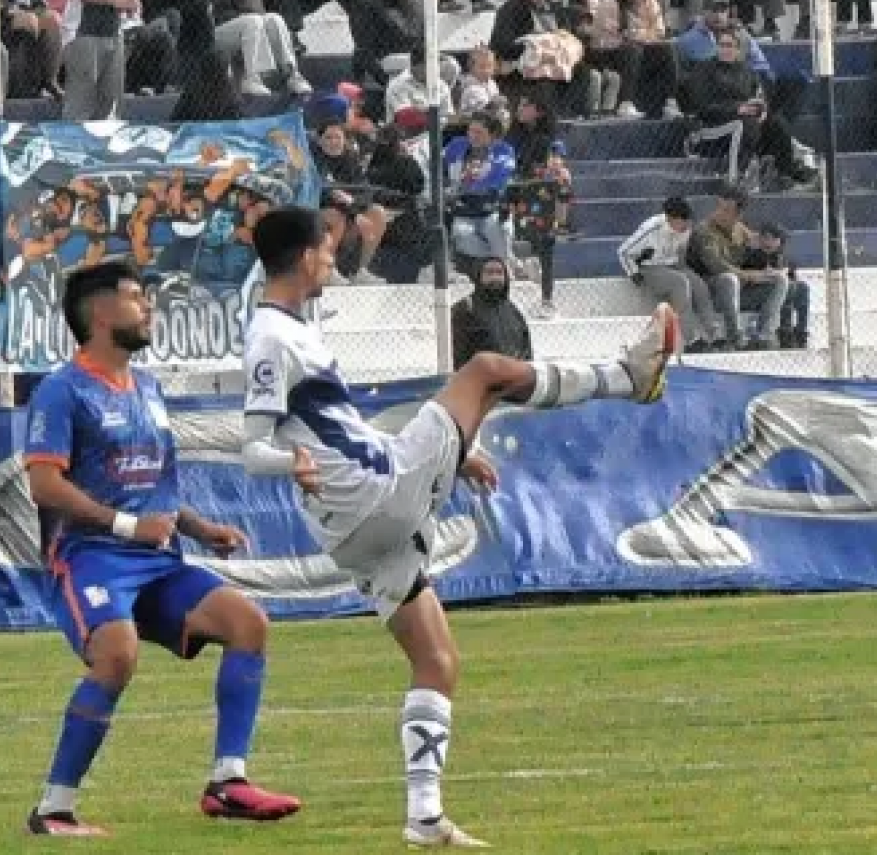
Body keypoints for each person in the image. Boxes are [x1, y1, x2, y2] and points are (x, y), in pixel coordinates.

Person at [241, 206, 677, 849]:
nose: (332, 259)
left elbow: (339, 433)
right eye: (327, 249)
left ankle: (425, 818)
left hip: (357, 520)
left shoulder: (293, 331)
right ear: (306, 256)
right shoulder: (271, 337)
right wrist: (291, 463)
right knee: (485, 372)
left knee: (437, 660)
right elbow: (254, 449)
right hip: (373, 496)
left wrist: (456, 452)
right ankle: (627, 377)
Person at [22, 261, 302, 837]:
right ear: (100, 313)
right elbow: (44, 485)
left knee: (248, 623)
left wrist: (199, 528)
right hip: (91, 556)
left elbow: (159, 490)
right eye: (135, 297)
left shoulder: (147, 387)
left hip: (158, 560)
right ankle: (53, 810)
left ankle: (228, 783)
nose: (148, 306)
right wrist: (128, 527)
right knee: (116, 655)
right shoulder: (61, 389)